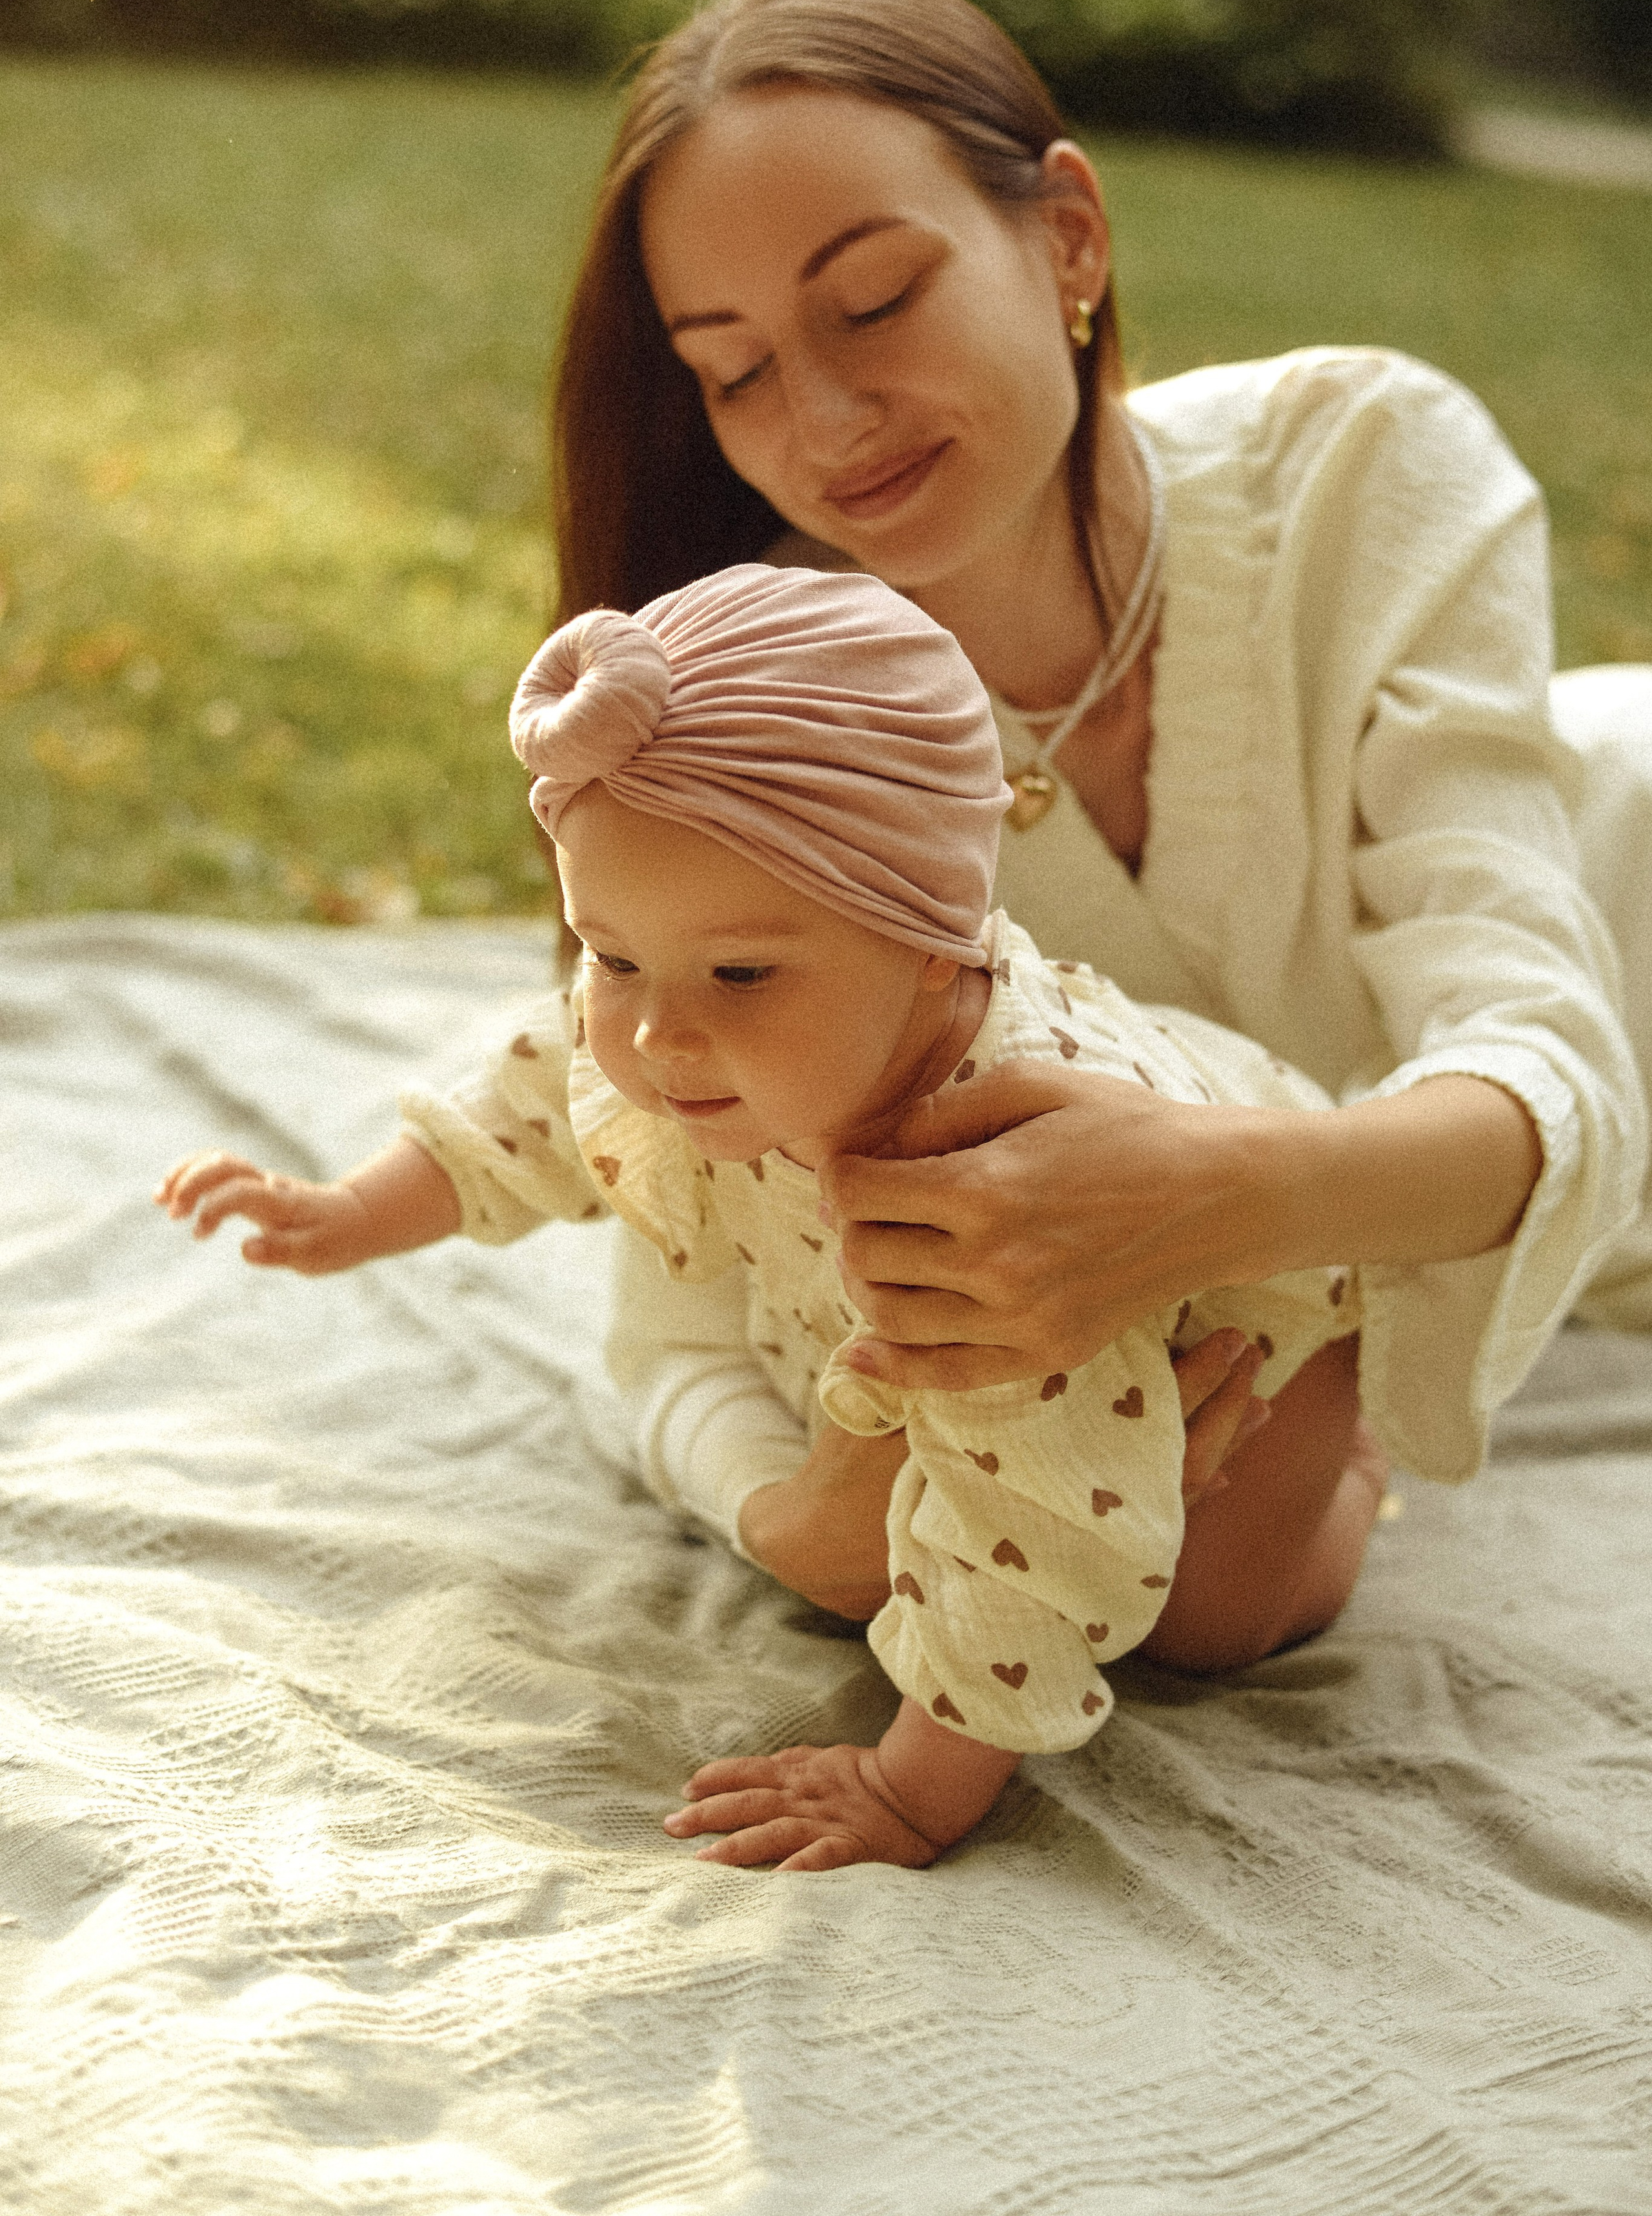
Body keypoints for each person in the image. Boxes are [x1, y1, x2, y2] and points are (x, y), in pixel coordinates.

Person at [547, 0, 1651, 1647]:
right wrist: (795, 1522)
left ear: (1067, 236)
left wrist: (1229, 1209)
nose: (824, 422)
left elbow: (1552, 1068)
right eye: (734, 368)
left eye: (873, 301)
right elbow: (674, 1294)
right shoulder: (757, 713)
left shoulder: (1364, 467)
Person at [157, 562, 1373, 1870]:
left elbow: (1036, 1529)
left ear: (935, 942)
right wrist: (351, 1210)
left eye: (739, 972)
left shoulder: (1002, 1194)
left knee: (1206, 1622)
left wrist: (910, 1793)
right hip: (993, 1376)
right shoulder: (724, 1030)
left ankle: (1355, 1478)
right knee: (911, 1507)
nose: (656, 1033)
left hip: (1257, 1341)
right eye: (612, 955)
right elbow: (538, 1091)